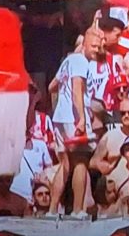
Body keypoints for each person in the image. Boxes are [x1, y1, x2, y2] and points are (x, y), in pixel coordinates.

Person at [48, 29, 101, 218]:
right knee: (80, 161)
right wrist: (82, 118)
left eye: (99, 46)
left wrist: (59, 104)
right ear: (84, 44)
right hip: (73, 117)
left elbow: (51, 86)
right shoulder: (79, 60)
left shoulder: (67, 61)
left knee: (65, 164)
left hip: (61, 117)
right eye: (94, 46)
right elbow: (77, 89)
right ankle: (78, 210)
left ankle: (52, 210)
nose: (97, 50)